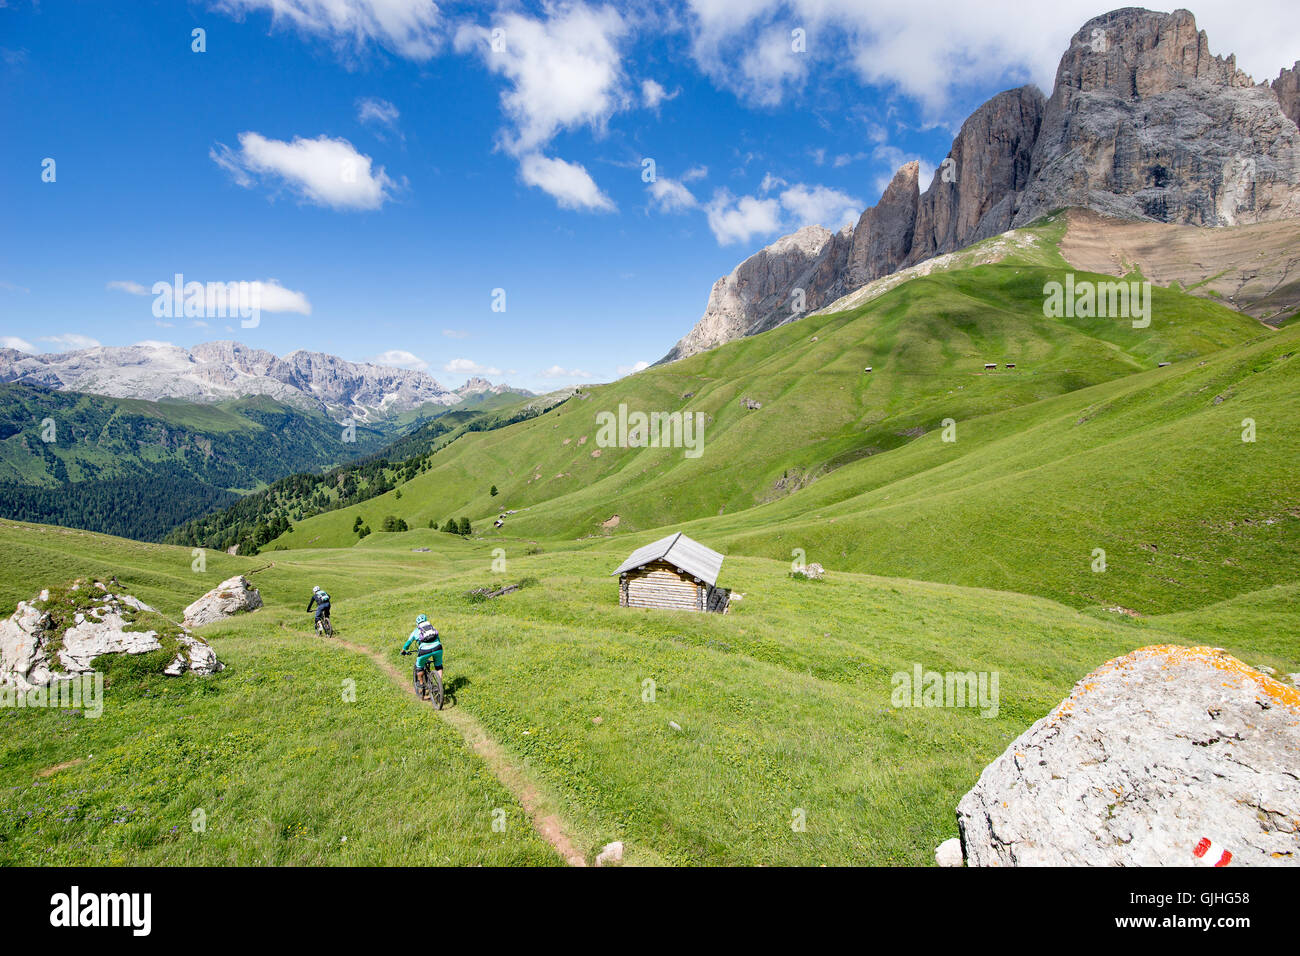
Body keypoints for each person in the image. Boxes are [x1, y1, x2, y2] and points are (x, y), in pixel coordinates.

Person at [401, 613, 443, 699]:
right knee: (438, 665)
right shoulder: (431, 628)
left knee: (419, 666)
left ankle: (421, 684)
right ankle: (439, 684)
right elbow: (438, 638)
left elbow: (408, 643)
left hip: (424, 650)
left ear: (417, 624)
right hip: (438, 648)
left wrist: (403, 650)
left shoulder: (416, 631)